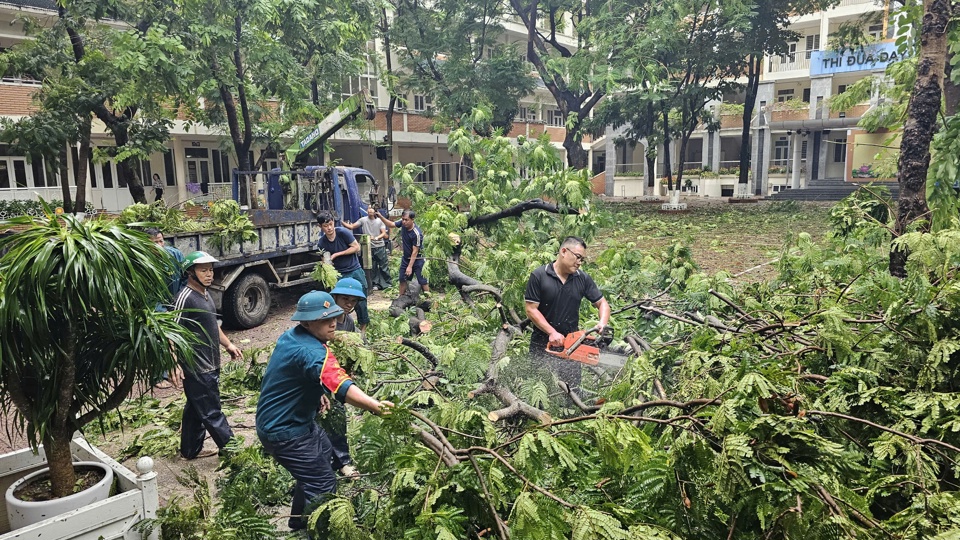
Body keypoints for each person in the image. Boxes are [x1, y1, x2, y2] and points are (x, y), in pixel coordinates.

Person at [256, 290, 392, 533]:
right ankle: (315, 532)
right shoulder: (312, 351)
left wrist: (316, 390)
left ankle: (298, 521)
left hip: (297, 422)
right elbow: (339, 383)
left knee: (324, 451)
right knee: (322, 482)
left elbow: (297, 372)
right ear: (306, 322)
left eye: (334, 317)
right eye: (324, 319)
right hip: (285, 432)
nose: (333, 324)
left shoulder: (292, 337)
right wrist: (374, 405)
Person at [171, 251, 242, 459]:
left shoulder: (205, 294)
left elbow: (212, 324)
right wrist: (173, 363)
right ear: (191, 273)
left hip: (211, 362)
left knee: (196, 408)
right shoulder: (184, 298)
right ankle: (233, 451)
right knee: (212, 411)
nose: (209, 274)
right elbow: (170, 334)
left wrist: (228, 344)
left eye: (210, 270)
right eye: (203, 270)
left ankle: (189, 451)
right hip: (197, 367)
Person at [524, 236, 610, 398]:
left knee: (572, 390)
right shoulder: (539, 275)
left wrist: (602, 324)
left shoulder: (582, 278)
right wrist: (551, 332)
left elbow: (602, 304)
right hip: (542, 341)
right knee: (538, 389)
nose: (579, 262)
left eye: (582, 259)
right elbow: (531, 309)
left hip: (572, 342)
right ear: (564, 251)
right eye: (578, 257)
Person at [323, 277, 367, 479]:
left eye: (353, 301)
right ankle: (335, 460)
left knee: (338, 418)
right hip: (322, 375)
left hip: (337, 377)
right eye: (345, 299)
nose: (349, 304)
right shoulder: (325, 320)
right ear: (335, 297)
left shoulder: (348, 321)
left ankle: (342, 460)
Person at [146, 227, 187, 389]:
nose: (160, 245)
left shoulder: (175, 255)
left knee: (181, 336)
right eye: (155, 243)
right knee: (160, 338)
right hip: (154, 305)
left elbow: (185, 278)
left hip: (174, 300)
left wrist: (180, 300)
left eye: (161, 241)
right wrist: (161, 311)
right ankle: (158, 375)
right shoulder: (142, 261)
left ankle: (178, 369)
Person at [316, 212, 370, 332]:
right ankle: (340, 328)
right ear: (320, 227)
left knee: (360, 301)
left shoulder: (342, 233)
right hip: (339, 275)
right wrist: (324, 265)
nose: (329, 228)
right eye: (325, 226)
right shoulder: (322, 243)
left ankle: (363, 330)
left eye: (331, 224)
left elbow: (356, 247)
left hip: (354, 270)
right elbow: (325, 260)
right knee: (338, 302)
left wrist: (338, 254)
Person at [377, 209, 429, 296]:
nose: (404, 222)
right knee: (402, 279)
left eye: (406, 220)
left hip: (418, 259)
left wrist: (410, 267)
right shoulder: (402, 223)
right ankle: (400, 298)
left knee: (423, 281)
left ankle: (429, 300)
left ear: (412, 220)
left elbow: (415, 252)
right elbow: (391, 224)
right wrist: (381, 217)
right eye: (403, 219)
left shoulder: (416, 234)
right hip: (406, 258)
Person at [343, 206, 391, 290]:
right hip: (368, 247)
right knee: (372, 267)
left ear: (375, 212)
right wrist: (341, 222)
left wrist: (376, 237)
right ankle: (375, 284)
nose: (369, 211)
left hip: (379, 246)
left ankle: (387, 283)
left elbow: (383, 233)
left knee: (383, 266)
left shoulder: (379, 221)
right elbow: (352, 226)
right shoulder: (363, 220)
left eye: (371, 210)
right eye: (368, 210)